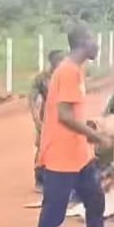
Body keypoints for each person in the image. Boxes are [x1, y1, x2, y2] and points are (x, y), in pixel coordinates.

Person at [35, 26, 112, 227]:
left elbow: (71, 114)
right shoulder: (68, 72)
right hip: (62, 157)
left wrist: (87, 127)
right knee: (53, 216)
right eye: (94, 40)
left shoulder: (74, 71)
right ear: (83, 43)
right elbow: (64, 115)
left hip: (79, 157)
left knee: (96, 205)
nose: (97, 45)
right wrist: (96, 136)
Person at [31, 50, 65, 193]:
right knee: (43, 147)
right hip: (47, 115)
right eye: (61, 61)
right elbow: (32, 99)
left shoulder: (66, 76)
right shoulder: (42, 78)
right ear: (53, 62)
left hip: (64, 115)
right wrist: (36, 119)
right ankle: (39, 179)